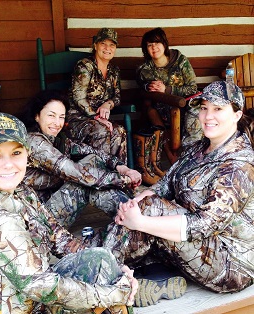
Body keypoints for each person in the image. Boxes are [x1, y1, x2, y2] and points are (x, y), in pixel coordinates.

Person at [0, 112, 138, 314]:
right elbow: (41, 286)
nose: (8, 164)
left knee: (101, 259)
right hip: (4, 306)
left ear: (27, 153)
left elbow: (58, 238)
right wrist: (112, 293)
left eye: (16, 153)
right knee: (106, 299)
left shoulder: (21, 191)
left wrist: (117, 269)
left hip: (25, 297)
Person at [95, 81, 254, 296]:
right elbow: (164, 184)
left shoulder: (239, 166)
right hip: (195, 243)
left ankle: (99, 272)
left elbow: (204, 225)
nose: (208, 116)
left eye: (218, 109)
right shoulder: (198, 148)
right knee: (127, 202)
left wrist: (141, 220)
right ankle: (107, 259)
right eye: (204, 108)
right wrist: (136, 203)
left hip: (229, 263)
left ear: (236, 114)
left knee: (148, 212)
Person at [21, 90, 142, 228]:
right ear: (37, 116)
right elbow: (73, 171)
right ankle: (133, 214)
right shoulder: (34, 142)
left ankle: (132, 213)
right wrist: (122, 179)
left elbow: (93, 152)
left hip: (51, 207)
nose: (57, 123)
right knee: (83, 178)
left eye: (61, 117)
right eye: (51, 116)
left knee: (92, 160)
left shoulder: (58, 141)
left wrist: (122, 168)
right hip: (39, 221)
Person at [136, 27, 200, 164]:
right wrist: (148, 86)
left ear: (164, 44)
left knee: (196, 114)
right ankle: (174, 159)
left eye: (157, 43)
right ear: (145, 49)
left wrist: (167, 89)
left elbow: (192, 88)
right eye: (149, 45)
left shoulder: (180, 61)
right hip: (162, 109)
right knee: (152, 112)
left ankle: (193, 159)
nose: (154, 47)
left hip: (186, 105)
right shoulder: (144, 70)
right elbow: (142, 84)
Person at [66, 28, 128, 163]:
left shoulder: (114, 71)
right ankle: (99, 175)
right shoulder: (85, 66)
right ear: (95, 45)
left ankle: (119, 174)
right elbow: (79, 98)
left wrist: (108, 104)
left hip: (100, 120)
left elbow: (117, 97)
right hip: (78, 118)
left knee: (120, 131)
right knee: (102, 130)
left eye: (112, 45)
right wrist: (96, 117)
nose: (107, 48)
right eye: (103, 44)